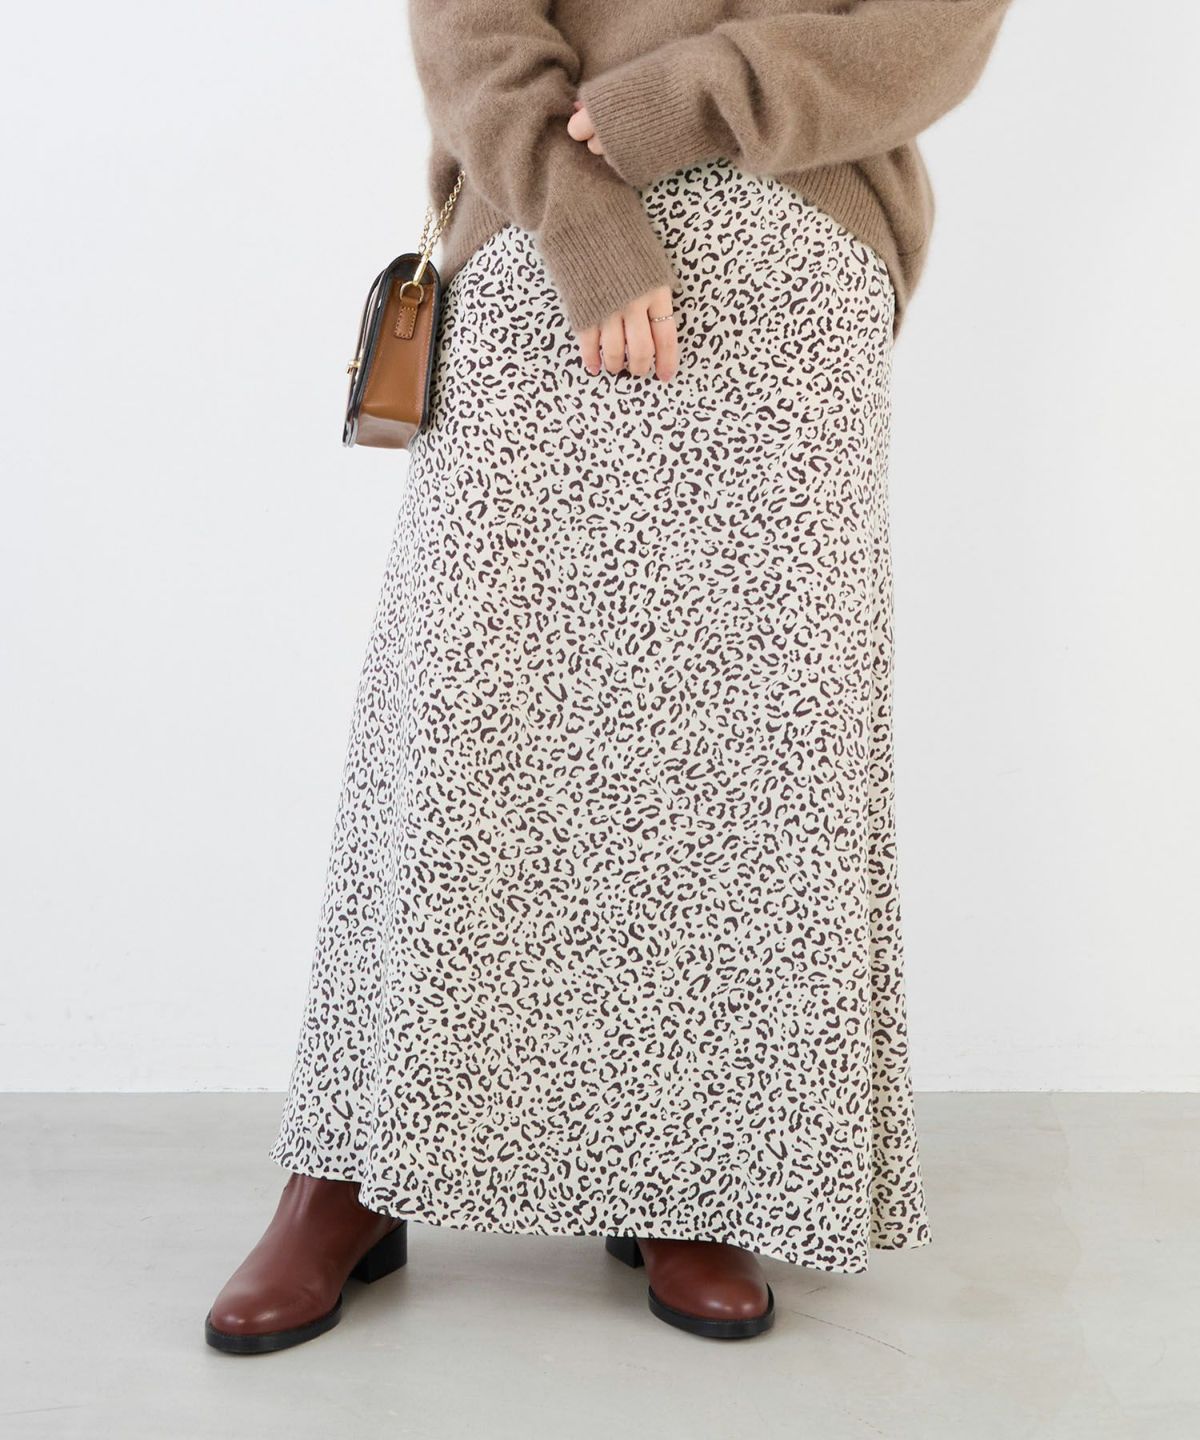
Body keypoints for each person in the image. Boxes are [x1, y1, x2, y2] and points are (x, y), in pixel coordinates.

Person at [206, 0, 1012, 1353]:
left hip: (800, 251)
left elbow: (938, 24)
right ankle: (349, 1163)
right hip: (542, 228)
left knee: (741, 755)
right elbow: (467, 21)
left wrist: (702, 91)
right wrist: (581, 217)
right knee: (463, 718)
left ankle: (690, 1169)